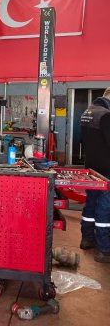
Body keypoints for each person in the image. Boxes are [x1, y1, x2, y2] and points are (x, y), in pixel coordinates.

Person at [80, 87, 110, 263]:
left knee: (91, 203)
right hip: (107, 170)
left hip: (91, 168)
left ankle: (87, 239)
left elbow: (83, 141)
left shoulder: (88, 112)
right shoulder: (106, 115)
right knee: (105, 207)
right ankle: (104, 249)